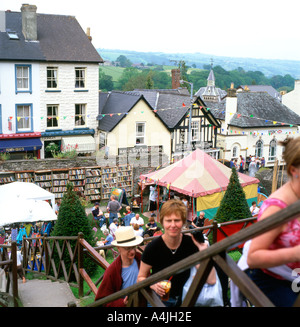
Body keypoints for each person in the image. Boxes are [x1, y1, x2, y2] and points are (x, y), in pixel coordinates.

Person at [246, 137, 300, 307]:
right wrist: (296, 253)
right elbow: (253, 257)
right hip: (275, 283)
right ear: (293, 170)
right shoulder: (276, 208)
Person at [137, 199, 215, 307]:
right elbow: (140, 278)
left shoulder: (191, 243)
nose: (173, 225)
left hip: (187, 297)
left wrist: (203, 251)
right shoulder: (152, 247)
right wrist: (153, 284)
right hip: (159, 299)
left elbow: (211, 279)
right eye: (169, 221)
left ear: (183, 222)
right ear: (162, 222)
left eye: (177, 220)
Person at [95, 226, 144, 307]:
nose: (132, 251)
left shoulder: (140, 259)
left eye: (133, 247)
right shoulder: (112, 271)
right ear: (119, 248)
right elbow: (101, 301)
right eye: (127, 248)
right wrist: (122, 303)